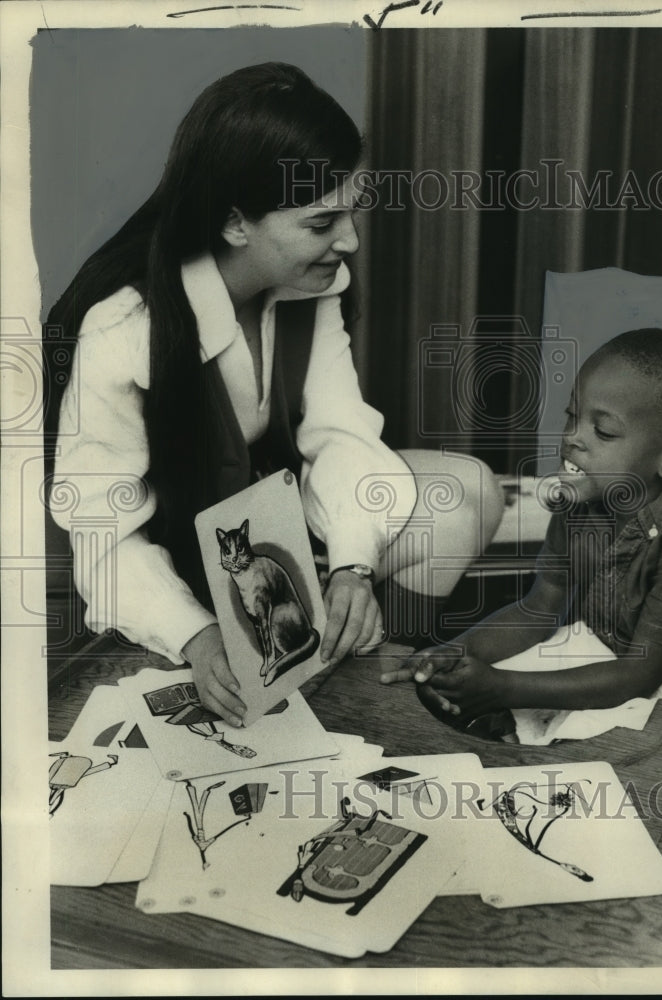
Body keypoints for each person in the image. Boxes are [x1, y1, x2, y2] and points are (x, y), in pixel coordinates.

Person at [45, 63, 503, 728]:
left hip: (271, 549)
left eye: (350, 213)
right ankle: (224, 656)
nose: (347, 241)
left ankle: (377, 660)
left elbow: (342, 433)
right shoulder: (125, 328)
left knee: (467, 494)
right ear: (236, 224)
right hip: (176, 569)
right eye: (322, 223)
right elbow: (103, 536)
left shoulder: (308, 285)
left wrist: (351, 565)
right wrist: (198, 638)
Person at [382, 328, 662, 722]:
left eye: (604, 431)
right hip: (602, 654)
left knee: (595, 763)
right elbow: (538, 609)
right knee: (467, 708)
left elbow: (641, 675)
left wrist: (501, 687)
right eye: (571, 416)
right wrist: (457, 651)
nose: (571, 438)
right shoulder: (580, 497)